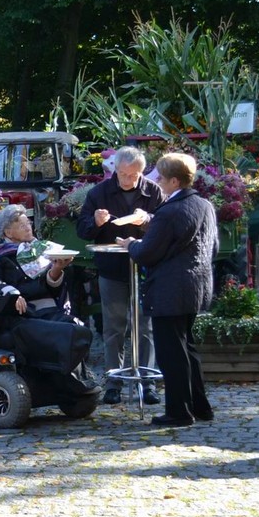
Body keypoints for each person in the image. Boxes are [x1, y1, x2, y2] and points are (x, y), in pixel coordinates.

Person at [119, 153, 218, 428]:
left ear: (174, 181)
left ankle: (179, 411)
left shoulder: (169, 211)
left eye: (161, 177)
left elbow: (147, 252)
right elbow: (213, 246)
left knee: (172, 353)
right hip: (197, 284)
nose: (157, 181)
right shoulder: (204, 204)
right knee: (187, 348)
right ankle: (200, 407)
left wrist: (129, 244)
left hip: (170, 289)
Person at [76, 146, 165, 405]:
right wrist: (97, 222)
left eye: (134, 175)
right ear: (115, 169)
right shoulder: (99, 192)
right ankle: (114, 381)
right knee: (114, 326)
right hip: (112, 268)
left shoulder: (152, 190)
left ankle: (147, 382)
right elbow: (82, 230)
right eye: (124, 174)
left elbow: (166, 224)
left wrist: (147, 219)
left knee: (145, 326)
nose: (129, 180)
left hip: (146, 268)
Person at [0, 204, 86, 374]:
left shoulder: (39, 250)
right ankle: (66, 381)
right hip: (22, 315)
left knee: (77, 328)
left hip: (47, 311)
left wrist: (56, 271)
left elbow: (50, 287)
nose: (28, 227)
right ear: (8, 232)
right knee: (64, 333)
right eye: (22, 225)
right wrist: (11, 293)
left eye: (28, 223)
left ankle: (75, 379)